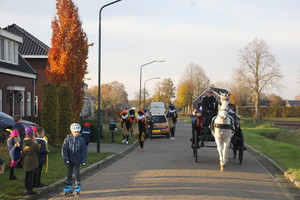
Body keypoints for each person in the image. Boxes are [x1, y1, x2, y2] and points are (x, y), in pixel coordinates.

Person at [62, 123, 86, 196]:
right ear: (71, 131)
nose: (76, 133)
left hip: (77, 160)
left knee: (76, 173)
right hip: (69, 159)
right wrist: (65, 158)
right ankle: (69, 186)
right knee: (69, 173)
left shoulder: (81, 140)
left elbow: (83, 151)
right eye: (75, 132)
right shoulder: (67, 139)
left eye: (78, 132)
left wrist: (83, 160)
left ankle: (77, 186)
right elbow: (64, 150)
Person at [23, 126, 39, 195]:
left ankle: (27, 187)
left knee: (27, 174)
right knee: (31, 175)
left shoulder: (24, 142)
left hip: (26, 159)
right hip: (33, 159)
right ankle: (30, 189)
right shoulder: (33, 142)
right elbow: (37, 150)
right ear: (32, 134)